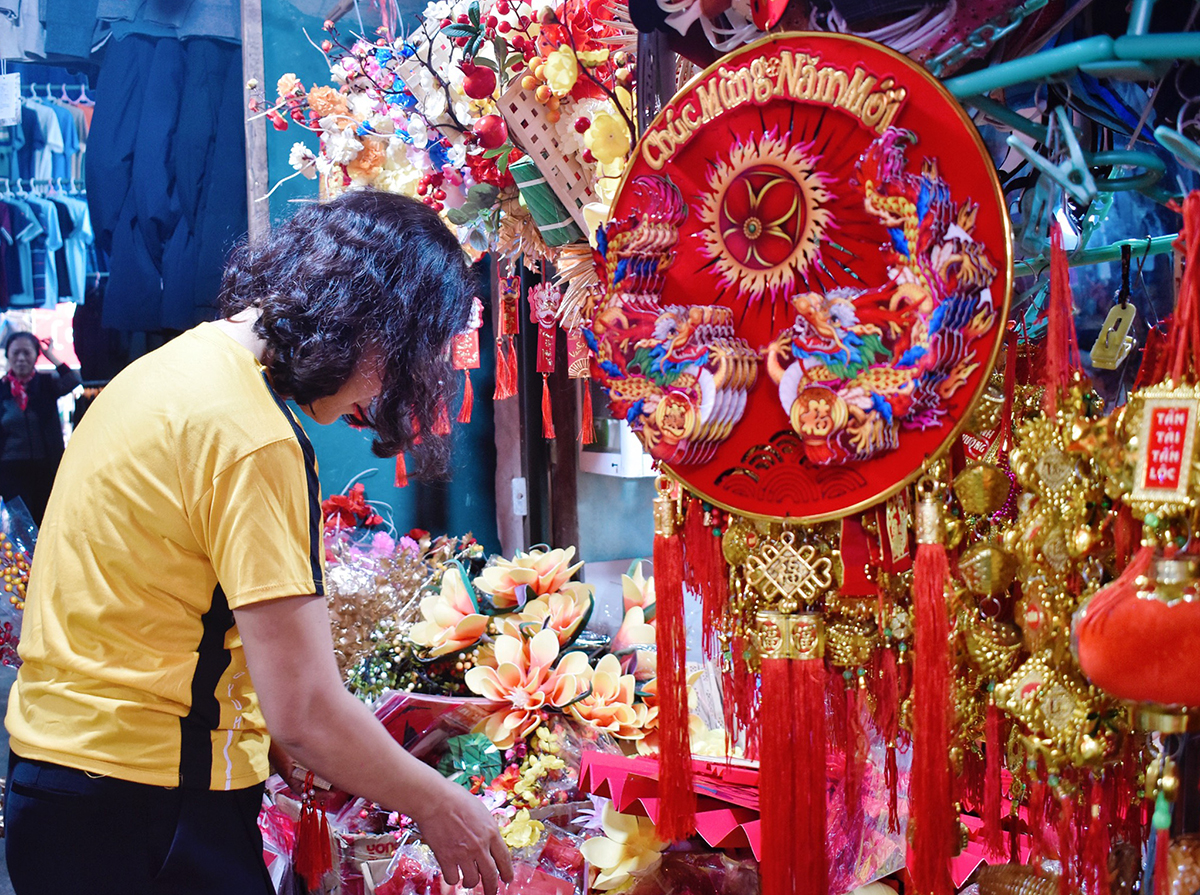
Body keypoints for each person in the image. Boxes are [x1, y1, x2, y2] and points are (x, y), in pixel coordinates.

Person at [3, 190, 514, 895]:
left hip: (60, 785)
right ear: (373, 325)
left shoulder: (170, 370)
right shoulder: (252, 433)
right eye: (407, 356)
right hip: (143, 802)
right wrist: (440, 802)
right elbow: (303, 711)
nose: (389, 388)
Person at [0, 331, 81, 525]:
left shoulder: (46, 384)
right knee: (19, 523)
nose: (21, 358)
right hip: (11, 470)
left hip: (45, 467)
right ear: (8, 356)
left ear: (36, 356)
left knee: (46, 519)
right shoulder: (1, 389)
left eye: (27, 353)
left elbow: (73, 380)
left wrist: (50, 354)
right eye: (16, 353)